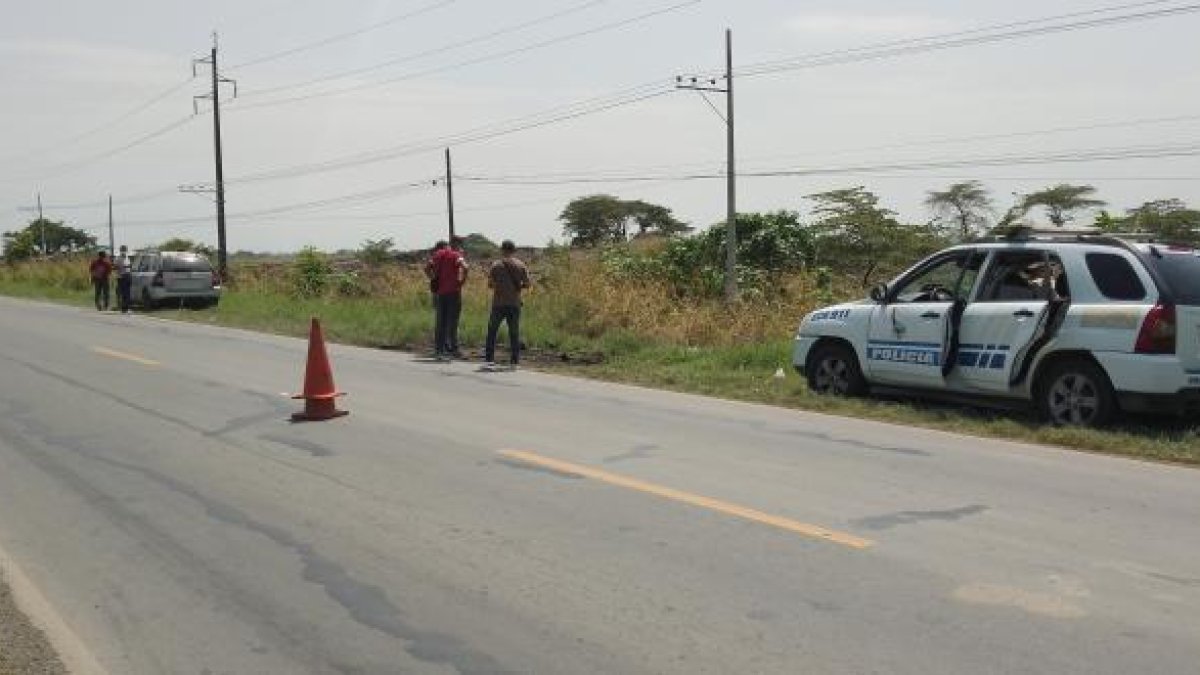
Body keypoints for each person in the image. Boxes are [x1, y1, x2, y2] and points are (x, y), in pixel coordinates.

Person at [484, 240, 531, 369]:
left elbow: (490, 284)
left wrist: (500, 286)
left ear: (502, 250)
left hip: (498, 303)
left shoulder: (496, 265)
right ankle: (514, 361)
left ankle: (489, 360)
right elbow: (527, 284)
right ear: (514, 250)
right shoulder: (521, 265)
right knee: (514, 333)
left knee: (492, 331)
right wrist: (516, 287)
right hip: (514, 303)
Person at [430, 235, 468, 360]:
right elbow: (465, 267)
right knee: (453, 322)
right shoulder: (456, 255)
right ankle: (454, 349)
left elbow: (427, 267)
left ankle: (439, 350)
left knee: (440, 322)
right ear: (455, 243)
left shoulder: (438, 254)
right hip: (453, 292)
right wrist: (462, 281)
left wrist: (433, 278)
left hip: (441, 293)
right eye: (460, 243)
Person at [115, 245, 133, 313]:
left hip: (127, 276)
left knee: (127, 293)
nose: (124, 251)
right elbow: (116, 267)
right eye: (122, 250)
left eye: (125, 250)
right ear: (120, 251)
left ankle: (126, 308)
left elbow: (129, 267)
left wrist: (128, 267)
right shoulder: (118, 258)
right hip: (121, 276)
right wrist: (122, 267)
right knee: (124, 293)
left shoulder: (127, 258)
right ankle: (124, 308)